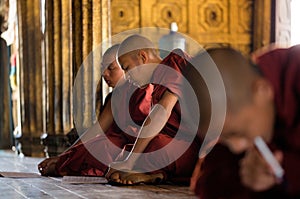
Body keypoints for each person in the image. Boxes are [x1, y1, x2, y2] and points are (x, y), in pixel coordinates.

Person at [191, 46, 300, 198]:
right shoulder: (235, 116)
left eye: (237, 134)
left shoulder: (294, 73)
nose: (236, 147)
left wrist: (288, 168)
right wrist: (248, 178)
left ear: (262, 91)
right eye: (224, 138)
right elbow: (208, 182)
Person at [38, 44, 153, 176]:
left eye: (111, 68)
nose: (104, 74)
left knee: (103, 148)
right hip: (116, 145)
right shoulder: (116, 96)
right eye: (102, 69)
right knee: (96, 146)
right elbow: (97, 129)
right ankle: (62, 165)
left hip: (139, 145)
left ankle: (62, 168)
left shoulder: (148, 88)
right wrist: (63, 155)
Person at [105, 34, 201, 185]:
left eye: (127, 68)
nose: (126, 77)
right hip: (185, 146)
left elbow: (162, 112)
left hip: (206, 147)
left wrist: (129, 162)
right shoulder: (156, 87)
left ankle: (153, 172)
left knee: (155, 148)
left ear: (142, 57)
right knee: (142, 146)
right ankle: (158, 175)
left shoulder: (175, 61)